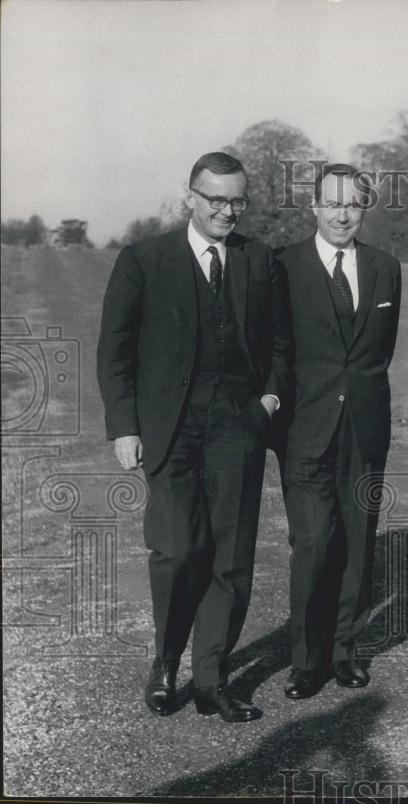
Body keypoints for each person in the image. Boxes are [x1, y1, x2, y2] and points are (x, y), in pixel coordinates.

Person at [97, 151, 291, 722]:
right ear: (190, 198)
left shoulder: (260, 261)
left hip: (239, 426)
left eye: (237, 201)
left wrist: (269, 401)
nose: (227, 211)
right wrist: (124, 426)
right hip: (170, 428)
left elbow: (281, 344)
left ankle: (212, 679)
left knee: (230, 559)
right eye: (216, 200)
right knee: (179, 549)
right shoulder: (144, 259)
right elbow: (115, 352)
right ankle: (165, 662)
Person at [274, 164, 402, 700]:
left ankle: (345, 650)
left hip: (365, 427)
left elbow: (378, 353)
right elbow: (276, 349)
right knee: (313, 541)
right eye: (332, 203)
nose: (342, 213)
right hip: (305, 428)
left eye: (353, 204)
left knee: (357, 541)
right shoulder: (284, 268)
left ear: (364, 209)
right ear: (314, 207)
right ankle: (307, 658)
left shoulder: (385, 268)